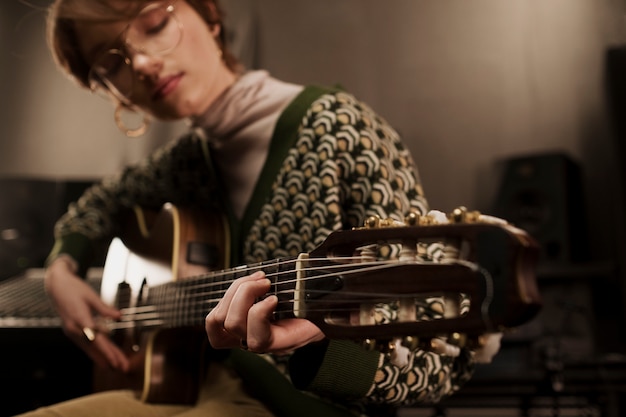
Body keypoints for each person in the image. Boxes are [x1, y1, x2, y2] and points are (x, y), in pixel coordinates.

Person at [17, 0, 501, 416]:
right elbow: (97, 205)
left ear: (208, 14)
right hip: (196, 390)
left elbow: (442, 363)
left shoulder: (339, 129)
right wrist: (61, 268)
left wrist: (322, 346)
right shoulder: (187, 161)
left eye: (154, 24)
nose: (141, 64)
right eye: (112, 63)